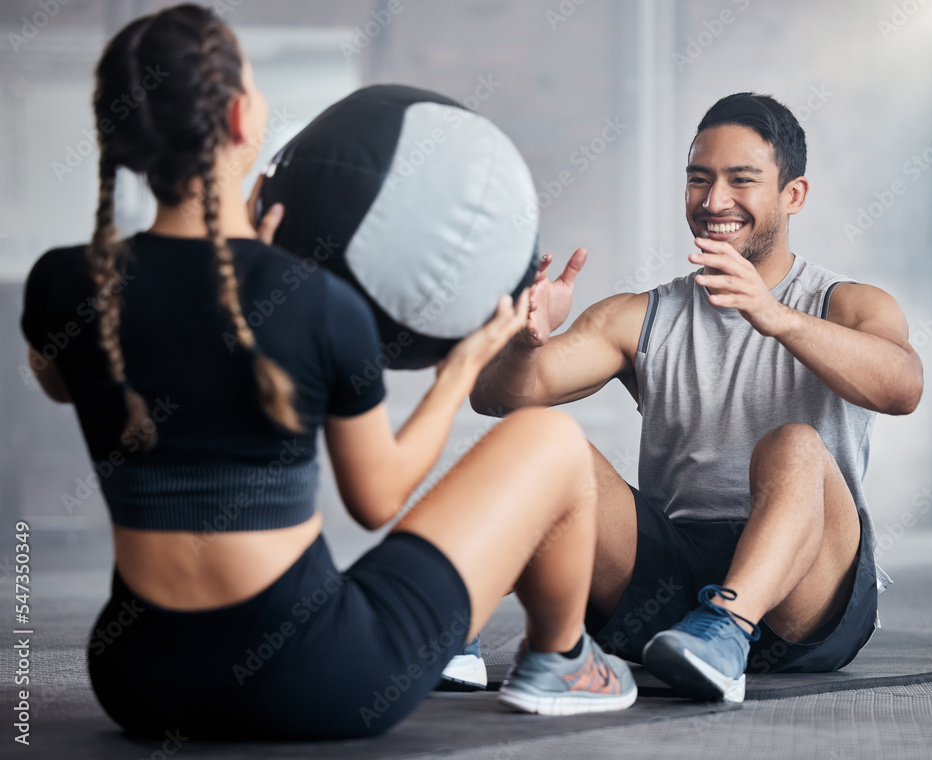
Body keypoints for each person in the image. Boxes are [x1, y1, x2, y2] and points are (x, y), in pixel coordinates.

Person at [19, 4, 637, 740]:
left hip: (137, 678)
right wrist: (463, 364)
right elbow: (376, 498)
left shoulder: (64, 283)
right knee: (551, 440)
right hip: (313, 680)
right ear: (244, 119)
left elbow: (63, 379)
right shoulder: (311, 300)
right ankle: (563, 659)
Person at [472, 92, 923, 704]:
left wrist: (774, 316)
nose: (714, 202)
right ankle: (446, 622)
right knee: (542, 444)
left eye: (742, 180)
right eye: (698, 180)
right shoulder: (640, 316)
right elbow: (496, 397)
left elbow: (902, 389)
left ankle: (727, 631)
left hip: (806, 596)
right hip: (669, 589)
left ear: (793, 195)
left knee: (794, 444)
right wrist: (524, 343)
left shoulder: (850, 304)